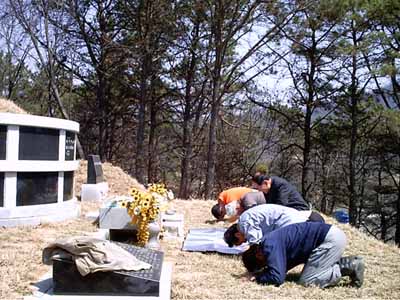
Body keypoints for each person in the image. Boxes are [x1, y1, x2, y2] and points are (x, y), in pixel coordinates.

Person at [242, 222, 364, 288]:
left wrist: (258, 278)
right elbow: (281, 269)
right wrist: (264, 273)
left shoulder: (269, 246)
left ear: (258, 255)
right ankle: (337, 264)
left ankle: (350, 266)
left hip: (329, 240)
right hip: (331, 235)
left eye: (263, 264)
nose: (267, 263)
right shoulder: (268, 242)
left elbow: (277, 278)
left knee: (307, 281)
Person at [224, 204, 324, 247]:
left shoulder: (245, 224)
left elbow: (256, 244)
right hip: (307, 217)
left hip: (302, 222)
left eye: (240, 243)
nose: (244, 242)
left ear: (237, 235)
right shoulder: (244, 218)